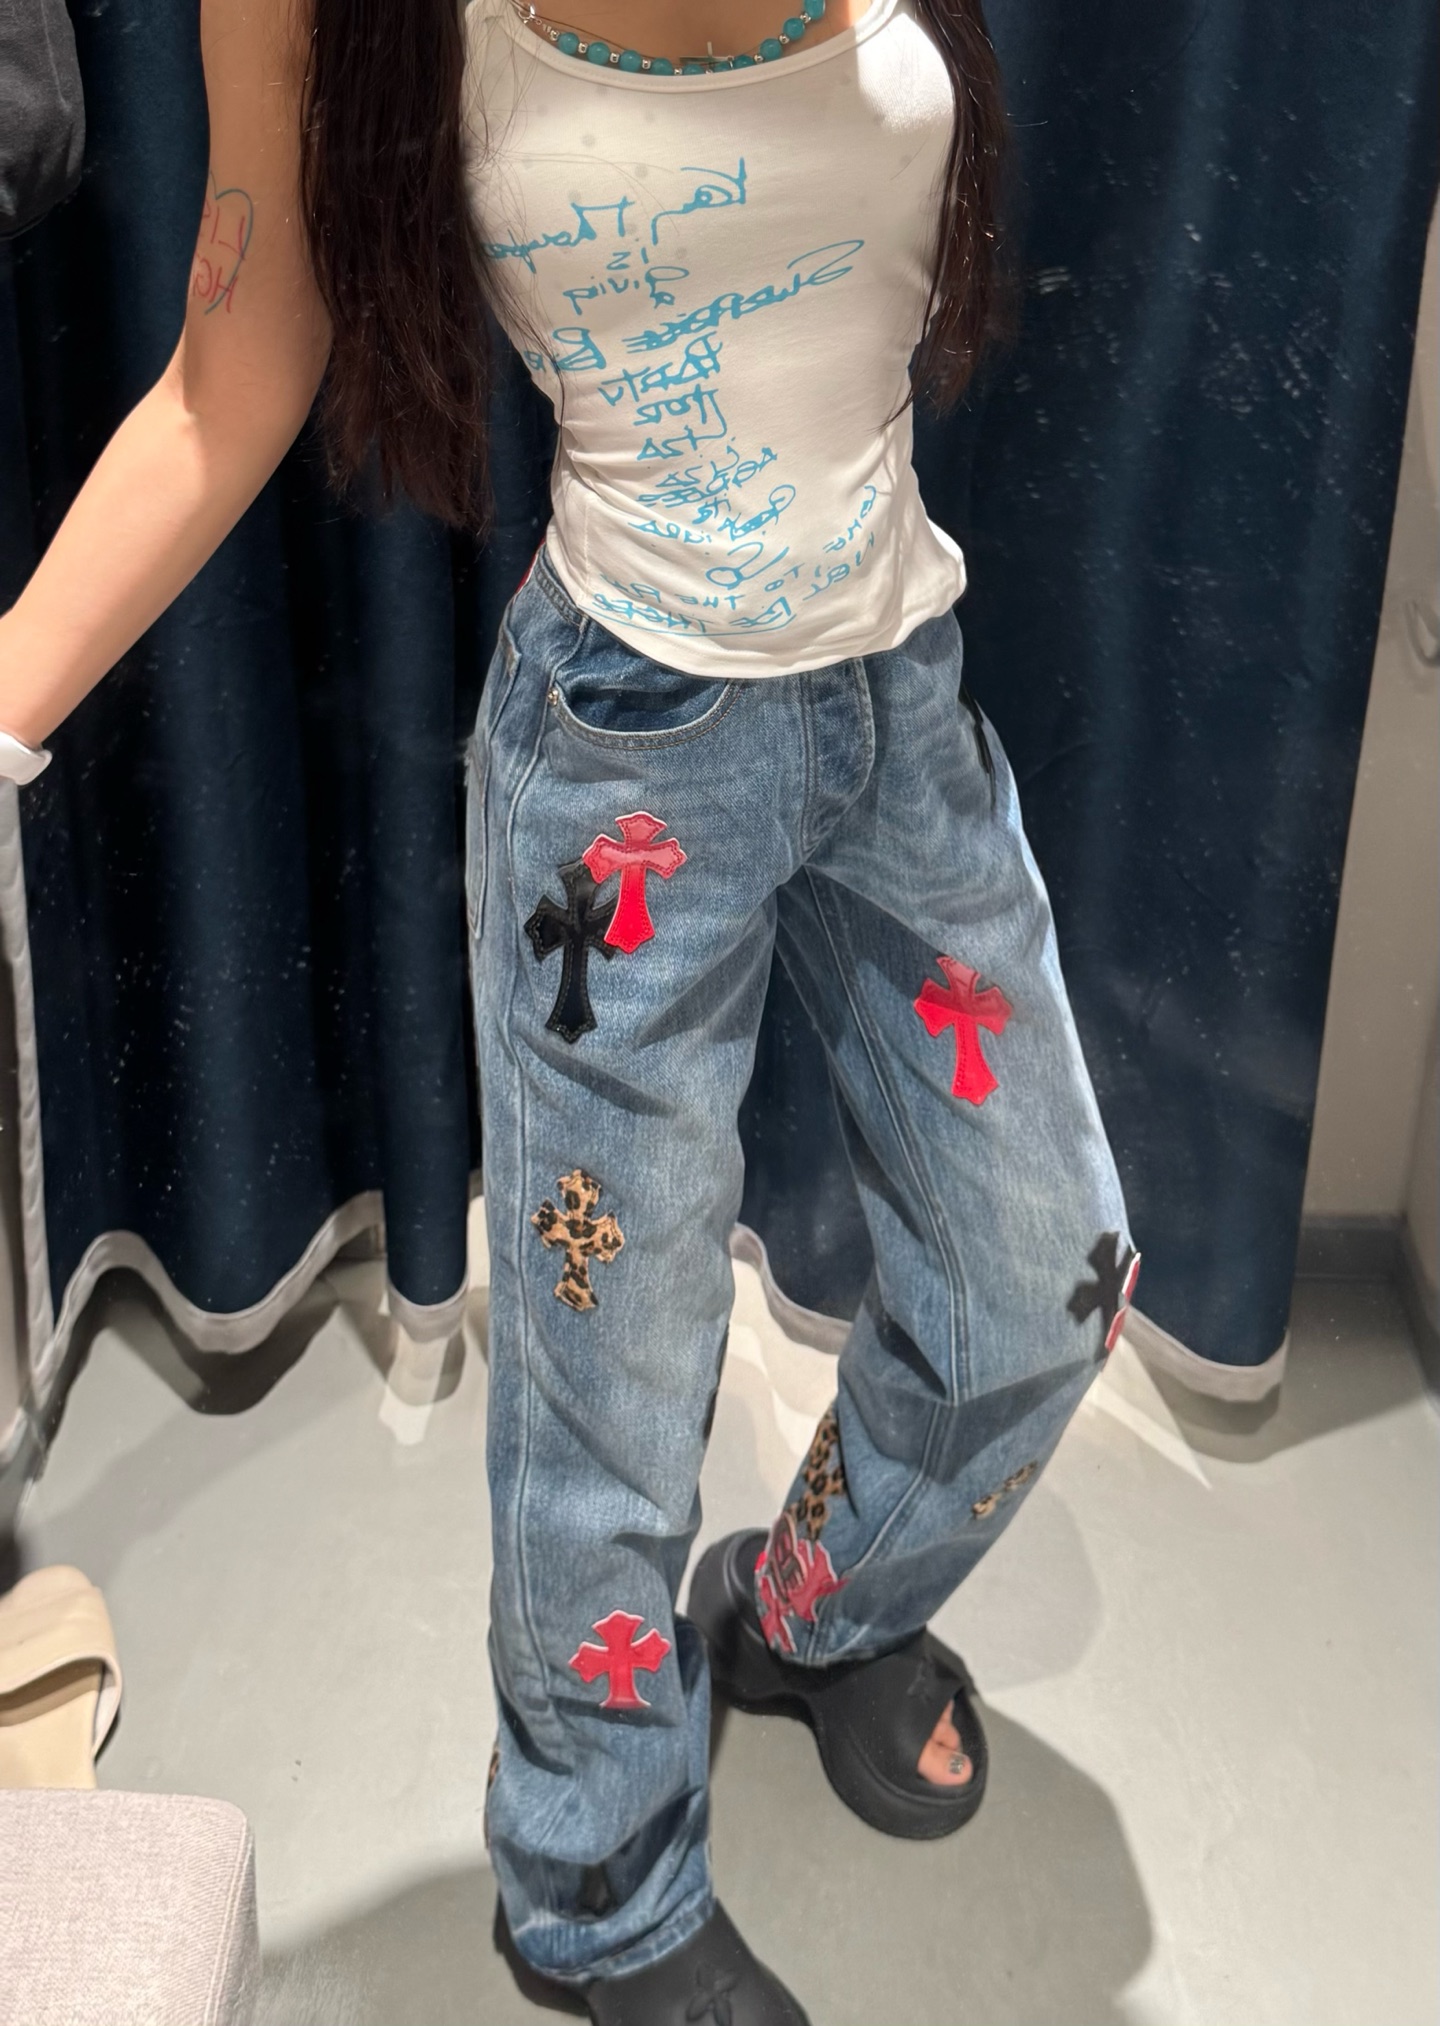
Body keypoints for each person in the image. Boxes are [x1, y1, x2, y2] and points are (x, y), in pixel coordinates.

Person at [0, 0, 1139, 2017]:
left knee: (1042, 1273)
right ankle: (592, 1877)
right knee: (608, 1393)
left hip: (897, 691)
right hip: (625, 771)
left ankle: (807, 1606)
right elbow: (234, 369)